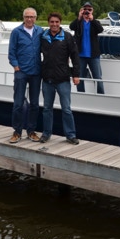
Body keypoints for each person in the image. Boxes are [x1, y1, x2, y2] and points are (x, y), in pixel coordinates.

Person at [40, 12, 81, 144]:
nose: (54, 24)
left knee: (66, 109)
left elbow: (75, 56)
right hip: (47, 79)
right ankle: (46, 134)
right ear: (48, 23)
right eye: (52, 22)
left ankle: (70, 135)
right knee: (47, 109)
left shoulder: (67, 37)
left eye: (57, 22)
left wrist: (76, 74)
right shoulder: (43, 36)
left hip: (63, 79)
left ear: (60, 23)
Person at [8, 7, 43, 144]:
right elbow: (12, 52)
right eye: (27, 17)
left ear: (35, 18)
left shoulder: (40, 31)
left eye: (32, 17)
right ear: (23, 18)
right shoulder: (16, 32)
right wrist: (16, 66)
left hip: (36, 72)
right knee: (18, 104)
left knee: (34, 104)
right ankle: (17, 132)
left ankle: (31, 131)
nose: (29, 19)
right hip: (21, 72)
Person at [69, 1, 104, 94]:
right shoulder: (79, 22)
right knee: (79, 77)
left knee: (98, 77)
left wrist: (92, 19)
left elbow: (100, 29)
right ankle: (81, 95)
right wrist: (79, 17)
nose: (87, 11)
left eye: (89, 9)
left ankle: (101, 95)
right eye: (85, 9)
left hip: (93, 55)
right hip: (80, 55)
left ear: (92, 11)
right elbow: (71, 27)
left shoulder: (95, 22)